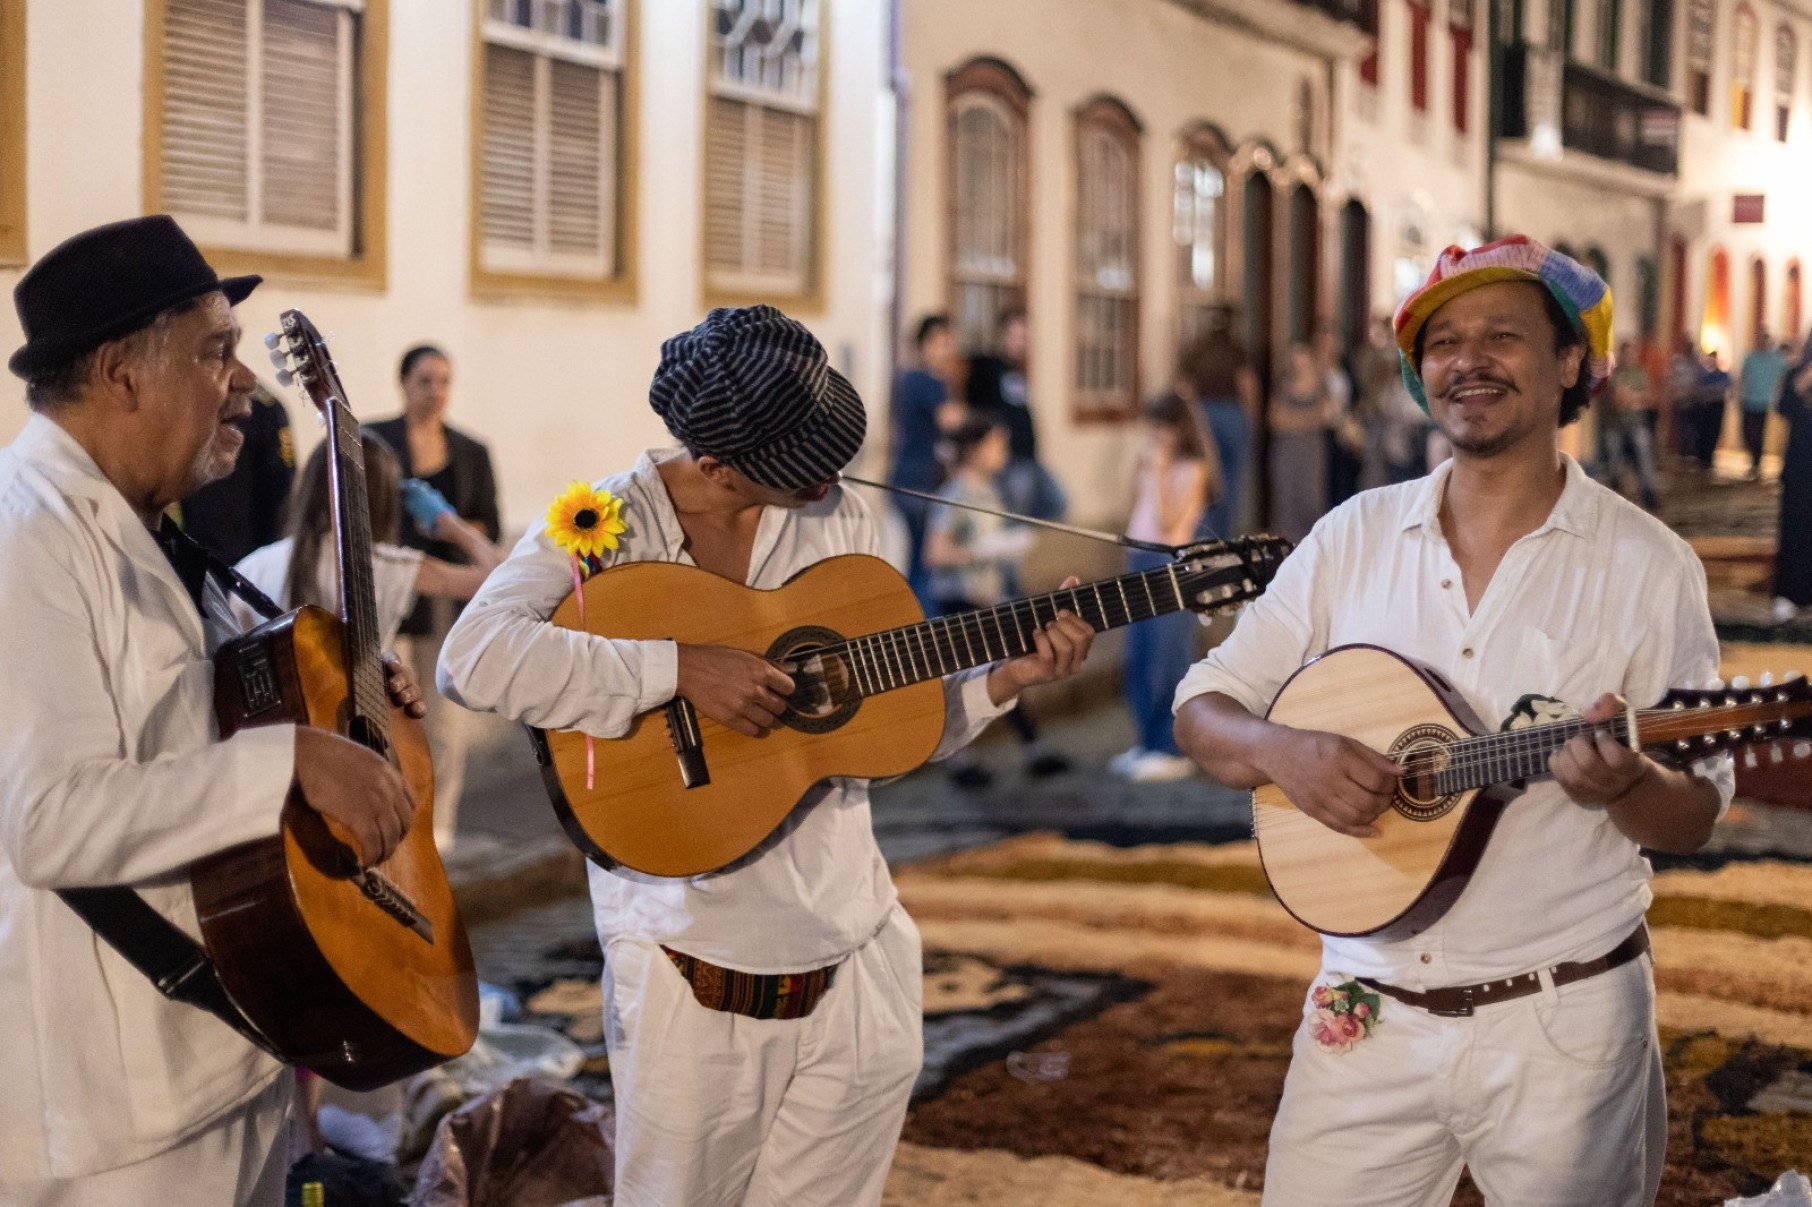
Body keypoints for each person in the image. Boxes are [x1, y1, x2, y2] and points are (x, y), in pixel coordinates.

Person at [436, 305, 1095, 1207]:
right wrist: (674, 670)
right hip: (691, 970)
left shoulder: (845, 518)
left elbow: (876, 733)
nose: (828, 477)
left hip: (856, 952)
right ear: (713, 465)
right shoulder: (604, 523)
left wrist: (1001, 681)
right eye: (801, 461)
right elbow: (472, 658)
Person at [1173, 236, 1731, 1205]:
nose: (1466, 360)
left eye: (1502, 336)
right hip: (1363, 1016)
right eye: (1442, 342)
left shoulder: (1649, 564)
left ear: (1570, 366)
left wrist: (1632, 785)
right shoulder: (1350, 536)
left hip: (1564, 1024)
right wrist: (1285, 750)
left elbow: (1697, 815)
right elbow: (1202, 708)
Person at [0, 215, 421, 1204]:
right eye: (216, 351)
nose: (243, 381)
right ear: (122, 372)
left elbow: (218, 706)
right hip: (118, 1119)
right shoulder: (30, 539)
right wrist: (292, 764)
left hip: (229, 1046)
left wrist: (349, 693)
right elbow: (47, 818)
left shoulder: (156, 533)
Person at [369, 345, 501, 847]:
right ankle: (388, 825)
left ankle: (439, 825)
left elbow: (487, 520)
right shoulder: (374, 442)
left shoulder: (471, 451)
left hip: (442, 596)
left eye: (444, 380)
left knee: (440, 720)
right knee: (386, 714)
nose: (435, 391)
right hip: (388, 595)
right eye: (425, 380)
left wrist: (448, 526)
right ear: (403, 383)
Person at [233, 433, 503, 651]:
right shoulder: (385, 564)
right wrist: (447, 521)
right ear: (382, 498)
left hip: (275, 721)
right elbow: (497, 577)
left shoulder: (252, 567)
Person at [923, 416, 1074, 786]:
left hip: (987, 596)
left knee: (1005, 670)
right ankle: (964, 761)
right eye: (996, 445)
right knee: (966, 677)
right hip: (959, 600)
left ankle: (1031, 750)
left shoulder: (989, 491)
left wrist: (1007, 548)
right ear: (975, 451)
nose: (1003, 453)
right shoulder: (956, 493)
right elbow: (935, 553)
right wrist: (982, 550)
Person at [1111, 392, 1216, 782]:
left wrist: (1159, 474)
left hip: (1169, 566)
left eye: (1162, 427)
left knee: (1165, 659)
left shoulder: (1193, 468)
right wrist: (1140, 472)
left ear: (1178, 429)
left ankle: (1170, 748)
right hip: (1139, 560)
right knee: (1137, 659)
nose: (1155, 435)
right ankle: (1146, 741)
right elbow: (1134, 512)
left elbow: (1171, 524)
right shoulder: (1153, 463)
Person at [967, 308, 1067, 565]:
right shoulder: (989, 367)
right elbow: (976, 405)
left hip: (1030, 458)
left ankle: (1018, 549)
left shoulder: (1018, 372)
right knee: (1013, 522)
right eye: (1015, 336)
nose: (1020, 342)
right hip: (1009, 462)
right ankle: (1010, 585)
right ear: (1003, 336)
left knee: (1059, 501)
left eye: (1025, 336)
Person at [887, 313, 967, 603]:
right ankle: (919, 624)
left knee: (918, 559)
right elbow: (952, 421)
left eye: (949, 342)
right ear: (924, 345)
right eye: (941, 342)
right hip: (917, 483)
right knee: (926, 563)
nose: (947, 349)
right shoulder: (924, 380)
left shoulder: (911, 379)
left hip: (910, 480)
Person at [177, 379, 295, 562]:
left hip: (240, 567)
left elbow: (281, 499)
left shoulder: (262, 407)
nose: (245, 375)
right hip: (177, 561)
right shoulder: (173, 399)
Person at [1177, 319, 1257, 537]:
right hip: (1231, 413)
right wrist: (1250, 418)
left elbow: (1185, 386)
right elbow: (1246, 384)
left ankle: (1203, 533)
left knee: (1206, 477)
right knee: (1229, 480)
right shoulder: (1236, 350)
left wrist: (1193, 416)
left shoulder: (1198, 350)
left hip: (1205, 413)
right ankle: (1222, 535)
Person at [1268, 342, 1333, 543]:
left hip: (1311, 451)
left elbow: (1325, 416)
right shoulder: (1284, 385)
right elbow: (1275, 419)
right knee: (1286, 501)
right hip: (1287, 450)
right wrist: (1307, 420)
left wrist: (1294, 420)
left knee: (1311, 500)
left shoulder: (1321, 386)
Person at [1775, 329, 1812, 621]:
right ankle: (1788, 594)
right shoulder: (1796, 373)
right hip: (1800, 465)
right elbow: (1783, 407)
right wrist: (1805, 378)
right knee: (1794, 527)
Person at [1601, 338, 1660, 509]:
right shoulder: (1615, 374)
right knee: (1613, 451)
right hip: (1616, 425)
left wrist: (1633, 398)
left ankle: (1648, 493)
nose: (1630, 356)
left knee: (1643, 446)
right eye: (1627, 353)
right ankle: (1614, 491)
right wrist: (1634, 398)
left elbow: (1648, 398)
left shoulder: (1640, 373)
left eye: (1632, 353)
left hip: (1636, 424)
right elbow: (1617, 398)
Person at [1738, 333, 1788, 478]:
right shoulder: (1750, 357)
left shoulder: (1776, 359)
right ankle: (1753, 457)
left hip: (1764, 401)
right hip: (1748, 400)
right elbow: (1743, 376)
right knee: (1747, 431)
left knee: (1758, 433)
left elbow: (1786, 376)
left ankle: (1756, 462)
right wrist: (1739, 392)